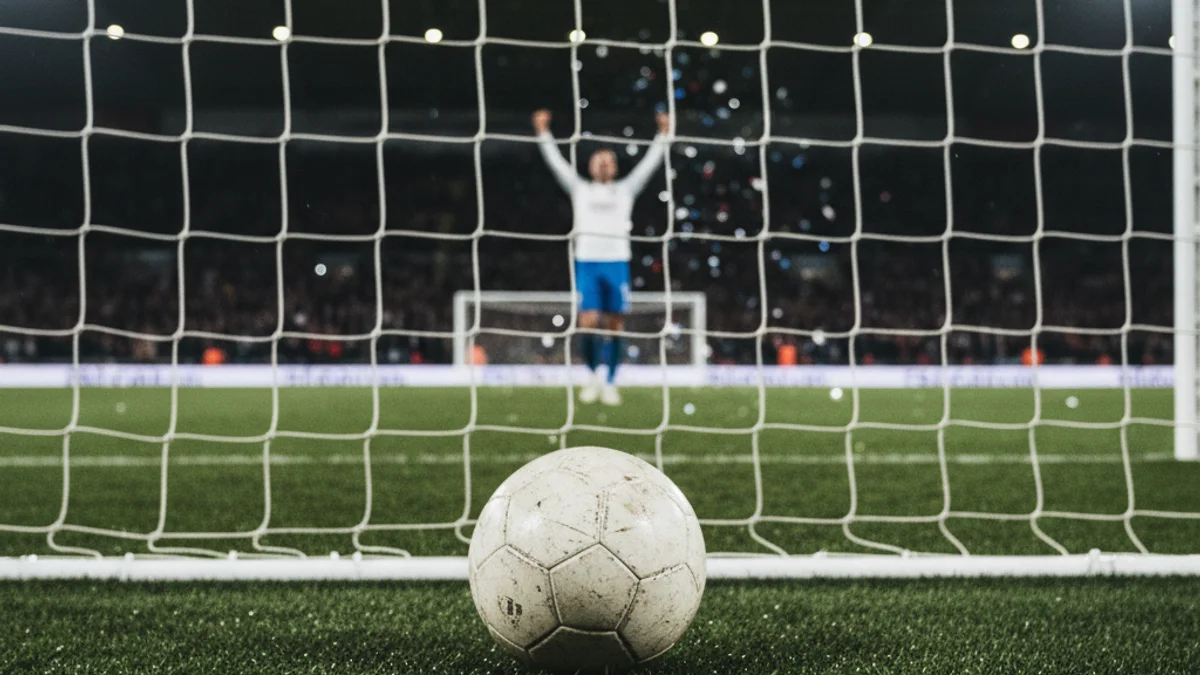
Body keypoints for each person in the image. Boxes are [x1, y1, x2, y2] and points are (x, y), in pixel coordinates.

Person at [533, 108, 670, 405]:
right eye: (600, 160)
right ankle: (594, 375)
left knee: (615, 324)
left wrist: (662, 135)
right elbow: (557, 165)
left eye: (609, 160)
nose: (605, 163)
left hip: (617, 262)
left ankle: (610, 381)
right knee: (588, 320)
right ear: (592, 166)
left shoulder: (626, 190)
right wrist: (544, 133)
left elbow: (648, 165)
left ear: (615, 168)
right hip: (587, 263)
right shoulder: (580, 189)